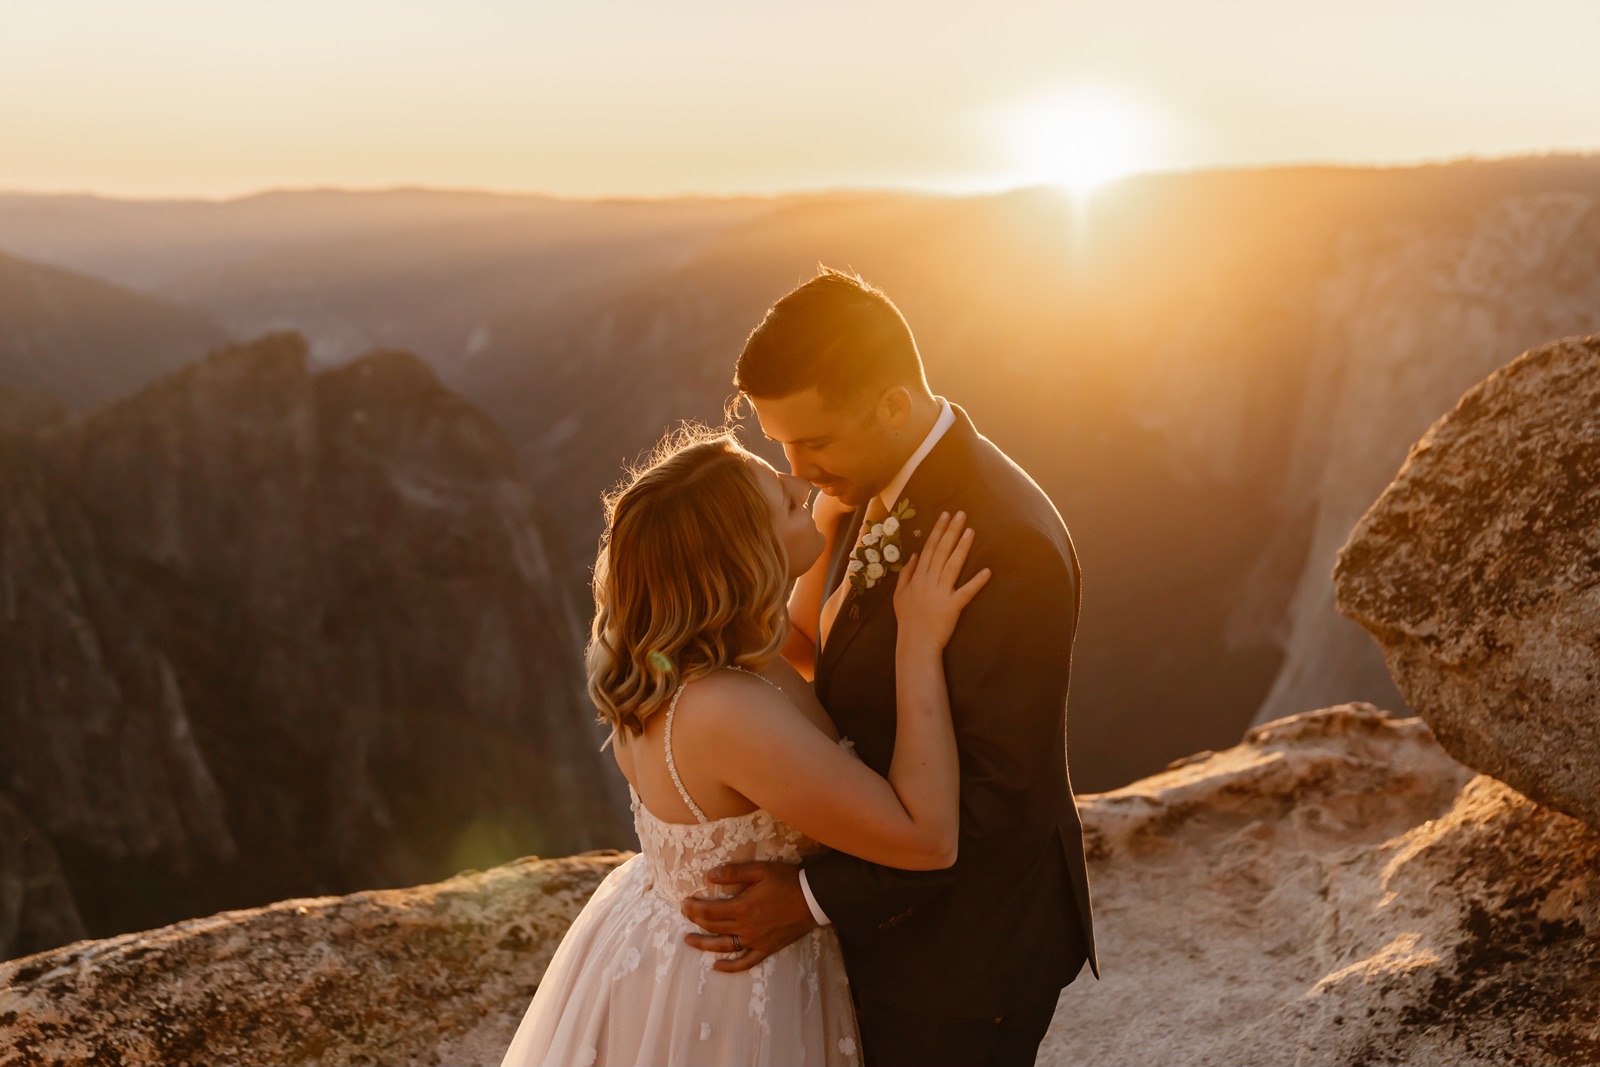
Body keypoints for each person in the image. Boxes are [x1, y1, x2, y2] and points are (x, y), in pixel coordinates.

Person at [679, 267, 1098, 1067]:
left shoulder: (1003, 545)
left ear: (894, 406)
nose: (795, 471)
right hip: (888, 927)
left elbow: (999, 803)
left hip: (963, 960)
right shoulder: (868, 483)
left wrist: (807, 900)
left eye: (816, 441)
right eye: (781, 444)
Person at [500, 426, 992, 1067]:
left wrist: (830, 514)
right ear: (746, 559)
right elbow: (924, 838)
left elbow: (794, 647)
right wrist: (917, 642)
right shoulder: (725, 711)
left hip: (658, 947)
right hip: (730, 992)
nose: (800, 483)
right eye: (785, 502)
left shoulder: (687, 665)